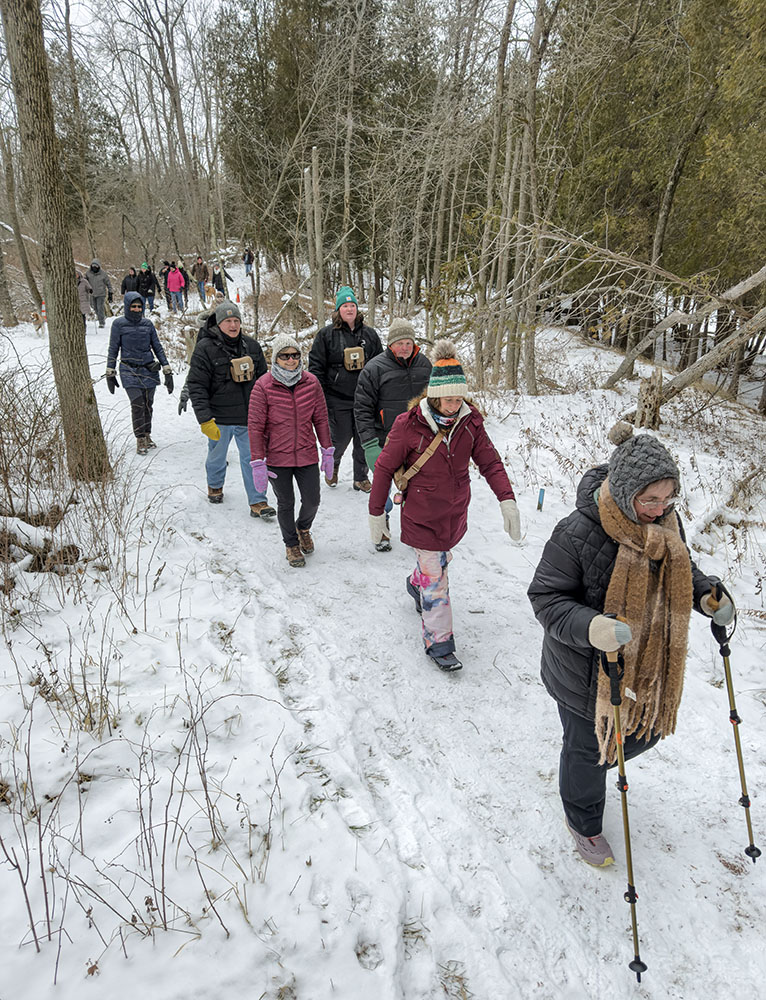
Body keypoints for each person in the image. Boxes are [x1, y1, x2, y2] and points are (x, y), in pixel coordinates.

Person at [527, 422, 736, 867]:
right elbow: (545, 597)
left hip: (642, 664)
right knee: (587, 749)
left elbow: (683, 571)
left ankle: (585, 771)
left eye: (667, 499)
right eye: (650, 500)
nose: (659, 510)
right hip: (584, 672)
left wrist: (705, 594)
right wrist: (591, 628)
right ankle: (582, 820)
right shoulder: (578, 531)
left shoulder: (666, 526)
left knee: (639, 737)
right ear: (624, 491)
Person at [368, 340, 521, 671]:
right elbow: (382, 468)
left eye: (459, 397)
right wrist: (376, 513)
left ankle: (415, 583)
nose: (456, 404)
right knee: (437, 578)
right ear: (435, 395)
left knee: (434, 564)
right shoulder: (409, 425)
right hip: (421, 515)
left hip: (453, 514)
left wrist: (506, 500)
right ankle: (439, 644)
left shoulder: (470, 421)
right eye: (450, 398)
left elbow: (491, 463)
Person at [248, 333, 333, 568]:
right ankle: (291, 544)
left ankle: (303, 527)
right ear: (276, 359)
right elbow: (255, 426)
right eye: (285, 356)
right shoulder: (263, 386)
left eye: (295, 355)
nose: (291, 360)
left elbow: (322, 419)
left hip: (306, 453)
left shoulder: (311, 383)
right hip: (277, 456)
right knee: (286, 502)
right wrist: (257, 461)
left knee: (313, 500)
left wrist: (327, 450)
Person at [186, 299, 276, 518]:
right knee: (217, 456)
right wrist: (205, 419)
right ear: (218, 324)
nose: (233, 325)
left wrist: (268, 411)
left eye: (236, 320)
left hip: (249, 417)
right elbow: (196, 385)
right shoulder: (205, 349)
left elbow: (265, 382)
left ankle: (258, 501)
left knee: (253, 459)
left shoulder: (252, 346)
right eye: (228, 321)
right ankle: (215, 485)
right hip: (220, 418)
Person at [354, 317, 432, 551]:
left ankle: (416, 533)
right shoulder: (374, 368)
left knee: (418, 491)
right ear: (391, 344)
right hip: (385, 439)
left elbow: (435, 402)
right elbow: (362, 408)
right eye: (400, 343)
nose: (405, 347)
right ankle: (382, 526)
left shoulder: (425, 365)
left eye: (408, 342)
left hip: (419, 441)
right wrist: (369, 444)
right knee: (383, 488)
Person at [308, 286, 383, 492]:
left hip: (366, 398)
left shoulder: (370, 334)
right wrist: (321, 395)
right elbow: (315, 367)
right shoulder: (326, 335)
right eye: (345, 306)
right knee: (339, 438)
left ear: (357, 309)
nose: (349, 309)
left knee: (363, 439)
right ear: (338, 310)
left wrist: (380, 392)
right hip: (336, 397)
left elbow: (381, 364)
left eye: (352, 305)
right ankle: (333, 466)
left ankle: (361, 477)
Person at [105, 291, 173, 454]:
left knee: (148, 405)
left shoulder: (148, 324)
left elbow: (157, 346)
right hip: (129, 370)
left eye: (139, 306)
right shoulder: (118, 324)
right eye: (133, 306)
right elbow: (113, 348)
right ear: (127, 307)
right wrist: (110, 370)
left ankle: (147, 434)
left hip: (149, 369)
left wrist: (166, 368)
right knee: (137, 405)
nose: (136, 309)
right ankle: (140, 438)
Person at [85, 259, 113, 328]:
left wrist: (110, 292)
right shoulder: (88, 273)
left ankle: (101, 322)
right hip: (92, 293)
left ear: (98, 266)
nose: (94, 267)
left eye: (96, 265)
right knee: (94, 307)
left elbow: (108, 283)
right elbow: (84, 281)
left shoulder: (103, 274)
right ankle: (101, 317)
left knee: (100, 307)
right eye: (93, 265)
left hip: (101, 294)